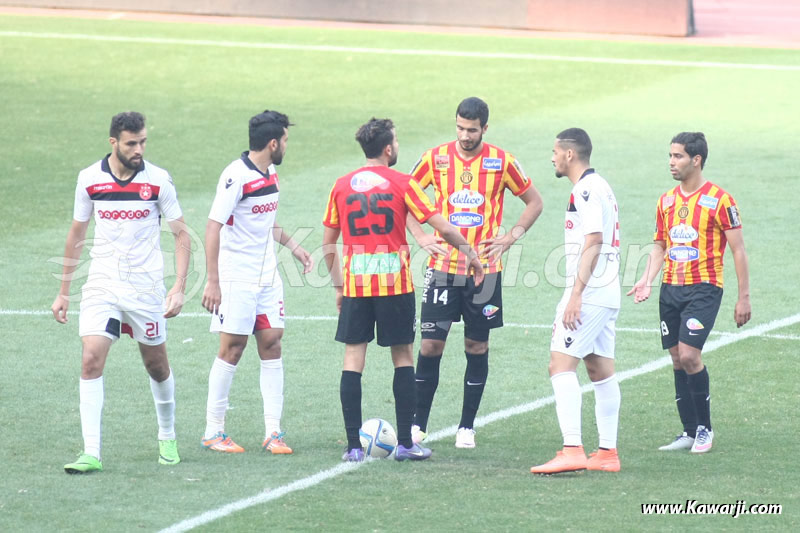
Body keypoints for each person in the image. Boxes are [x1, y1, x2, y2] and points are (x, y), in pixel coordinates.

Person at [322, 118, 485, 462]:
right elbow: (441, 224)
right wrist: (470, 254)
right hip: (393, 285)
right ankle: (406, 446)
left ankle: (353, 447)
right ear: (387, 148)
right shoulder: (402, 183)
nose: (397, 146)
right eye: (395, 141)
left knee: (353, 359)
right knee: (403, 357)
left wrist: (339, 286)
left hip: (355, 284)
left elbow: (328, 244)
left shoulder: (341, 185)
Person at [51, 111, 191, 473]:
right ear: (113, 142)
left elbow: (180, 234)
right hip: (102, 284)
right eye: (131, 143)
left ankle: (167, 436)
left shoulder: (159, 181)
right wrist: (64, 291)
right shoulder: (90, 179)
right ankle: (91, 452)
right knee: (90, 359)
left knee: (156, 365)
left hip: (146, 289)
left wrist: (178, 286)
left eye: (143, 141)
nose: (139, 149)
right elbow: (77, 235)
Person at [406, 97, 543, 448]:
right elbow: (405, 196)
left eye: (471, 129)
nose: (465, 136)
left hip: (485, 273)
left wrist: (510, 238)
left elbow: (534, 202)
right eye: (460, 128)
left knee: (476, 345)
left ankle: (466, 426)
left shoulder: (502, 161)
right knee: (431, 344)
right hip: (442, 270)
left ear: (485, 128)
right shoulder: (435, 158)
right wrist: (421, 236)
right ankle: (417, 424)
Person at [628, 131, 750, 454]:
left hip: (705, 288)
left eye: (678, 156)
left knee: (689, 355)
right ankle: (687, 430)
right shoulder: (665, 201)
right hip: (670, 289)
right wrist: (647, 279)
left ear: (696, 160)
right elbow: (660, 245)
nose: (671, 162)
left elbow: (738, 250)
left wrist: (744, 297)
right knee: (676, 360)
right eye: (670, 155)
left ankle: (705, 430)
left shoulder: (721, 200)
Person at [200, 110, 312, 455]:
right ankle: (213, 431)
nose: (287, 148)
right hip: (237, 278)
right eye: (286, 141)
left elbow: (266, 222)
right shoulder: (235, 177)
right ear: (273, 143)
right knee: (232, 348)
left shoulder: (270, 172)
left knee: (272, 344)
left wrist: (294, 247)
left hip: (267, 277)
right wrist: (213, 282)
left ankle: (273, 432)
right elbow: (213, 227)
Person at [530, 128, 622, 474]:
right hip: (606, 290)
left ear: (570, 154)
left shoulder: (585, 189)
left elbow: (595, 239)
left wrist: (576, 294)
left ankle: (572, 448)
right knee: (600, 371)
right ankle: (607, 454)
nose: (552, 157)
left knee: (560, 365)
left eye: (555, 151)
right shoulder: (601, 186)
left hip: (591, 292)